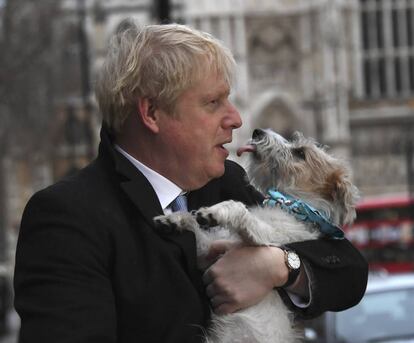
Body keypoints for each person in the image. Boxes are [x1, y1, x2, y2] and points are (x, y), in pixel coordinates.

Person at [14, 21, 368, 343]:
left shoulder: (230, 182)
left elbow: (348, 270)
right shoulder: (66, 218)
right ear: (151, 113)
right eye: (213, 102)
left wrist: (279, 266)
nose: (235, 118)